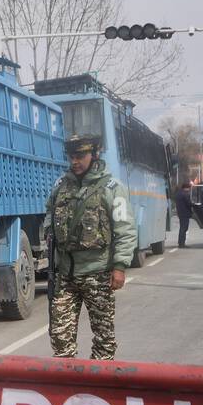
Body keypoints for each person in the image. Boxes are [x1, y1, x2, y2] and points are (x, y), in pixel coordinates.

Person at [44, 134, 136, 360]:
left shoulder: (112, 188)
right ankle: (68, 387)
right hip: (65, 275)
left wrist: (120, 266)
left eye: (80, 156)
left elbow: (125, 229)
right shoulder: (60, 186)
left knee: (104, 339)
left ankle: (99, 388)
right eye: (71, 156)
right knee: (60, 338)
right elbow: (49, 217)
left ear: (94, 155)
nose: (74, 161)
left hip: (98, 273)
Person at [174, 180, 193, 247]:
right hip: (185, 213)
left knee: (182, 227)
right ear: (186, 188)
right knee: (184, 228)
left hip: (180, 213)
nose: (189, 190)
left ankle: (180, 242)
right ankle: (182, 243)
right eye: (189, 188)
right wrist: (193, 205)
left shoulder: (178, 194)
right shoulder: (185, 194)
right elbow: (189, 203)